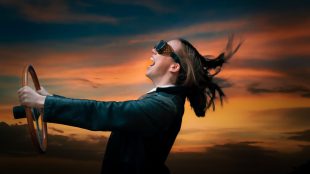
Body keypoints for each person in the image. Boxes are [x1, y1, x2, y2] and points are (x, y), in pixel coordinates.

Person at [17, 35, 242, 174]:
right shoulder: (162, 100)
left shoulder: (164, 106)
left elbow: (108, 112)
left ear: (175, 67)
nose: (154, 49)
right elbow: (110, 113)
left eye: (163, 48)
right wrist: (50, 99)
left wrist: (46, 102)